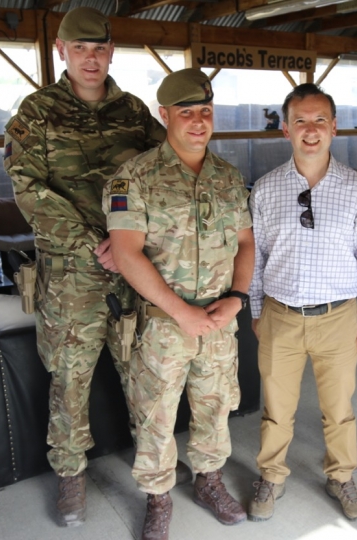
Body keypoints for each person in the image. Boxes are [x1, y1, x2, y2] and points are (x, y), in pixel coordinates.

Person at [3, 7, 176, 527]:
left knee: (146, 378)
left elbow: (160, 175)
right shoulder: (36, 114)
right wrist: (91, 244)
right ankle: (71, 476)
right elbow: (28, 189)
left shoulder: (135, 112)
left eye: (99, 48)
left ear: (110, 51)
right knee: (69, 379)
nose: (91, 58)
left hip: (132, 273)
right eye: (80, 48)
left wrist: (131, 245)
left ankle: (156, 484)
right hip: (72, 276)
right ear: (62, 51)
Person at [104, 68, 254, 540]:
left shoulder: (228, 177)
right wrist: (180, 311)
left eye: (205, 111)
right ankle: (158, 497)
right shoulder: (134, 178)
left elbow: (246, 245)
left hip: (217, 320)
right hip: (162, 326)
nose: (198, 121)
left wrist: (237, 298)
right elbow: (126, 254)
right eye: (186, 112)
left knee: (214, 408)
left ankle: (210, 481)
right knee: (155, 414)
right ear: (164, 115)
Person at [245, 84, 357, 523]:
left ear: (334, 127)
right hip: (280, 316)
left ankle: (341, 475)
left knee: (339, 410)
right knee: (276, 408)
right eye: (301, 121)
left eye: (320, 120)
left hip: (338, 318)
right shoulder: (266, 190)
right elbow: (255, 259)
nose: (311, 130)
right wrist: (255, 312)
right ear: (285, 129)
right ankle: (271, 475)